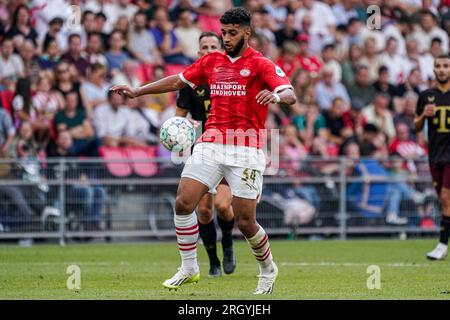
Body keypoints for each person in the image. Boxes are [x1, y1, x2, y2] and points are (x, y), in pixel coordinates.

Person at [111, 7, 296, 294]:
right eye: (223, 32)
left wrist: (276, 95)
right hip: (211, 142)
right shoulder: (211, 61)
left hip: (246, 148)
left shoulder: (261, 64)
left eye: (232, 33)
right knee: (184, 203)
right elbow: (177, 81)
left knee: (245, 221)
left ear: (247, 32)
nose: (226, 38)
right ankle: (189, 268)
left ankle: (267, 269)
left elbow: (290, 93)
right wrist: (138, 91)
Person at [175, 31, 236, 278]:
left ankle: (229, 243)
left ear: (220, 49)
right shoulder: (191, 82)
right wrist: (185, 127)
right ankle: (213, 262)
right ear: (199, 52)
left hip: (228, 148)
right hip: (201, 149)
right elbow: (179, 118)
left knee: (223, 206)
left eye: (214, 46)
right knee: (204, 211)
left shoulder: (231, 78)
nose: (209, 50)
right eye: (204, 47)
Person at [415, 54, 450, 260]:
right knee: (443, 200)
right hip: (435, 154)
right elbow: (416, 126)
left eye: (446, 66)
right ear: (434, 69)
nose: (442, 69)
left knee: (446, 198)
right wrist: (422, 116)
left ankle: (441, 245)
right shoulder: (426, 96)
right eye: (439, 66)